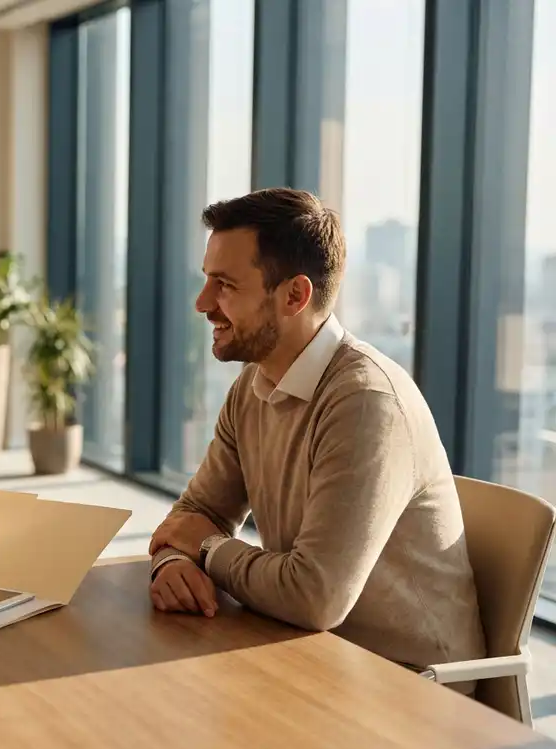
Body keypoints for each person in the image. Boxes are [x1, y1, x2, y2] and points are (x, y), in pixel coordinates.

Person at [148, 188, 486, 682]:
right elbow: (195, 516)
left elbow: (313, 596)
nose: (203, 304)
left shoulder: (366, 402)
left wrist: (206, 550)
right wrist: (172, 564)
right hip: (314, 655)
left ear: (294, 296)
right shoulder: (253, 386)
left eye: (224, 285)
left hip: (411, 689)